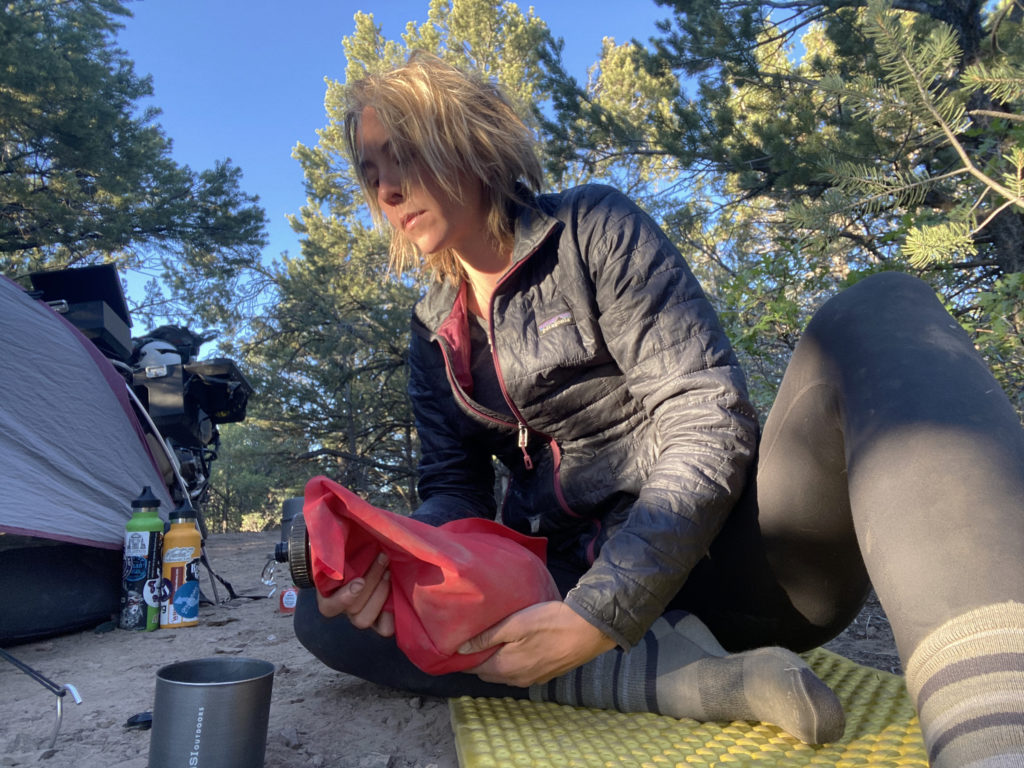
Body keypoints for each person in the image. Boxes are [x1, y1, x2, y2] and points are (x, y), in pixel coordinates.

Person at [294, 52, 1024, 764]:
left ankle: (997, 733)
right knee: (326, 621)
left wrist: (603, 611)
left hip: (726, 566)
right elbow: (453, 493)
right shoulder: (433, 329)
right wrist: (389, 556)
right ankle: (692, 679)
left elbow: (706, 416)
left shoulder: (591, 231)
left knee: (883, 310)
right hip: (553, 583)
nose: (387, 190)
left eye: (403, 155)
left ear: (467, 139)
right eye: (370, 173)